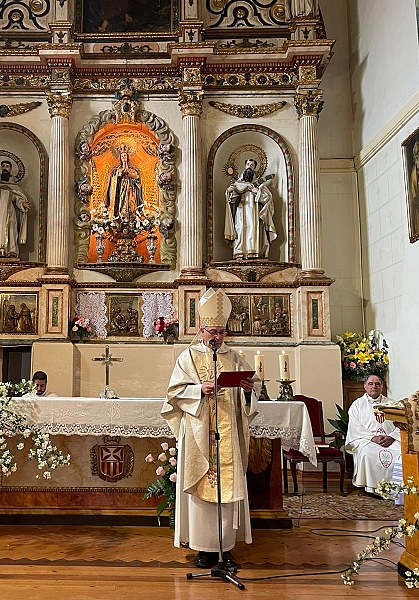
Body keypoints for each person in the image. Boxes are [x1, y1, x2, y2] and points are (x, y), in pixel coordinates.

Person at [161, 288, 260, 570]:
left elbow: (251, 394)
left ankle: (225, 547)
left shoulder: (234, 357)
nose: (217, 337)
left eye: (221, 332)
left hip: (227, 434)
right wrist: (197, 390)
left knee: (226, 493)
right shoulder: (188, 357)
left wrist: (249, 391)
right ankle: (204, 548)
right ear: (202, 329)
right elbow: (173, 394)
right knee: (203, 491)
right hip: (199, 434)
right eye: (212, 332)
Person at [345, 374, 401, 495]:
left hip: (390, 439)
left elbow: (401, 424)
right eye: (370, 384)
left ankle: (397, 488)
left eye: (377, 384)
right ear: (365, 386)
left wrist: (392, 437)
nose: (374, 386)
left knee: (399, 454)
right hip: (366, 439)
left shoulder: (392, 404)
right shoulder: (357, 405)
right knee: (367, 454)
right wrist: (372, 437)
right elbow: (355, 427)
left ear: (382, 387)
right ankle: (371, 487)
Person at [224, 158, 277, 259]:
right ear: (245, 166)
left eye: (252, 165)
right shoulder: (238, 183)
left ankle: (255, 254)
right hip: (241, 211)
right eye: (248, 164)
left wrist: (257, 191)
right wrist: (229, 192)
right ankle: (240, 254)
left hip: (254, 212)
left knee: (254, 229)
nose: (249, 166)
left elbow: (268, 198)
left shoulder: (260, 184)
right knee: (240, 230)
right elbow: (232, 200)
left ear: (255, 167)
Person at [105, 146, 143, 220]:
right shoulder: (116, 169)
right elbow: (113, 180)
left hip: (130, 188)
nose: (124, 157)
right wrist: (120, 173)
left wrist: (129, 173)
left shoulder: (133, 169)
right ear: (120, 158)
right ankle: (120, 217)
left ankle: (132, 218)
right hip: (120, 189)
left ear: (128, 157)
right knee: (121, 202)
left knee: (131, 202)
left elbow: (137, 178)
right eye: (122, 156)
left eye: (125, 155)